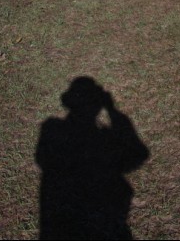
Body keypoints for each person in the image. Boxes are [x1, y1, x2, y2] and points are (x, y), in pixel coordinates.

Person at [36, 77, 149, 240]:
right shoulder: (53, 128)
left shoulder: (52, 127)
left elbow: (42, 159)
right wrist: (112, 110)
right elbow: (139, 155)